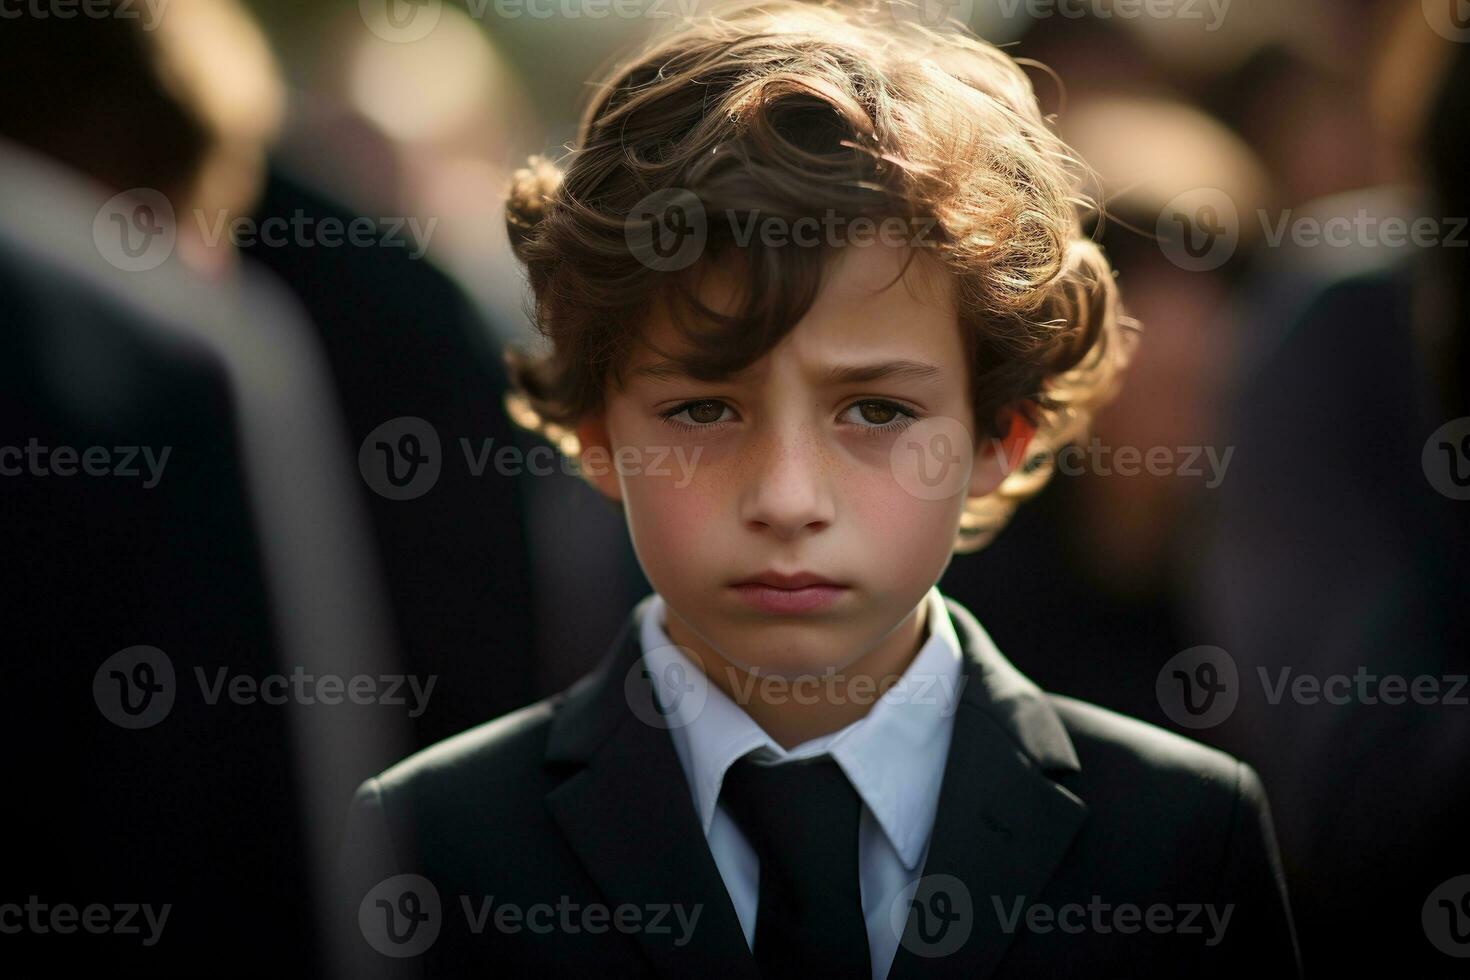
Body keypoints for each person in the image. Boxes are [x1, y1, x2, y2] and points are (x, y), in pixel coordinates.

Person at [337, 2, 1300, 976]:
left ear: (998, 432)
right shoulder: (432, 840)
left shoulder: (1183, 838)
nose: (789, 497)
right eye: (704, 411)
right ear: (596, 431)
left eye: (877, 412)